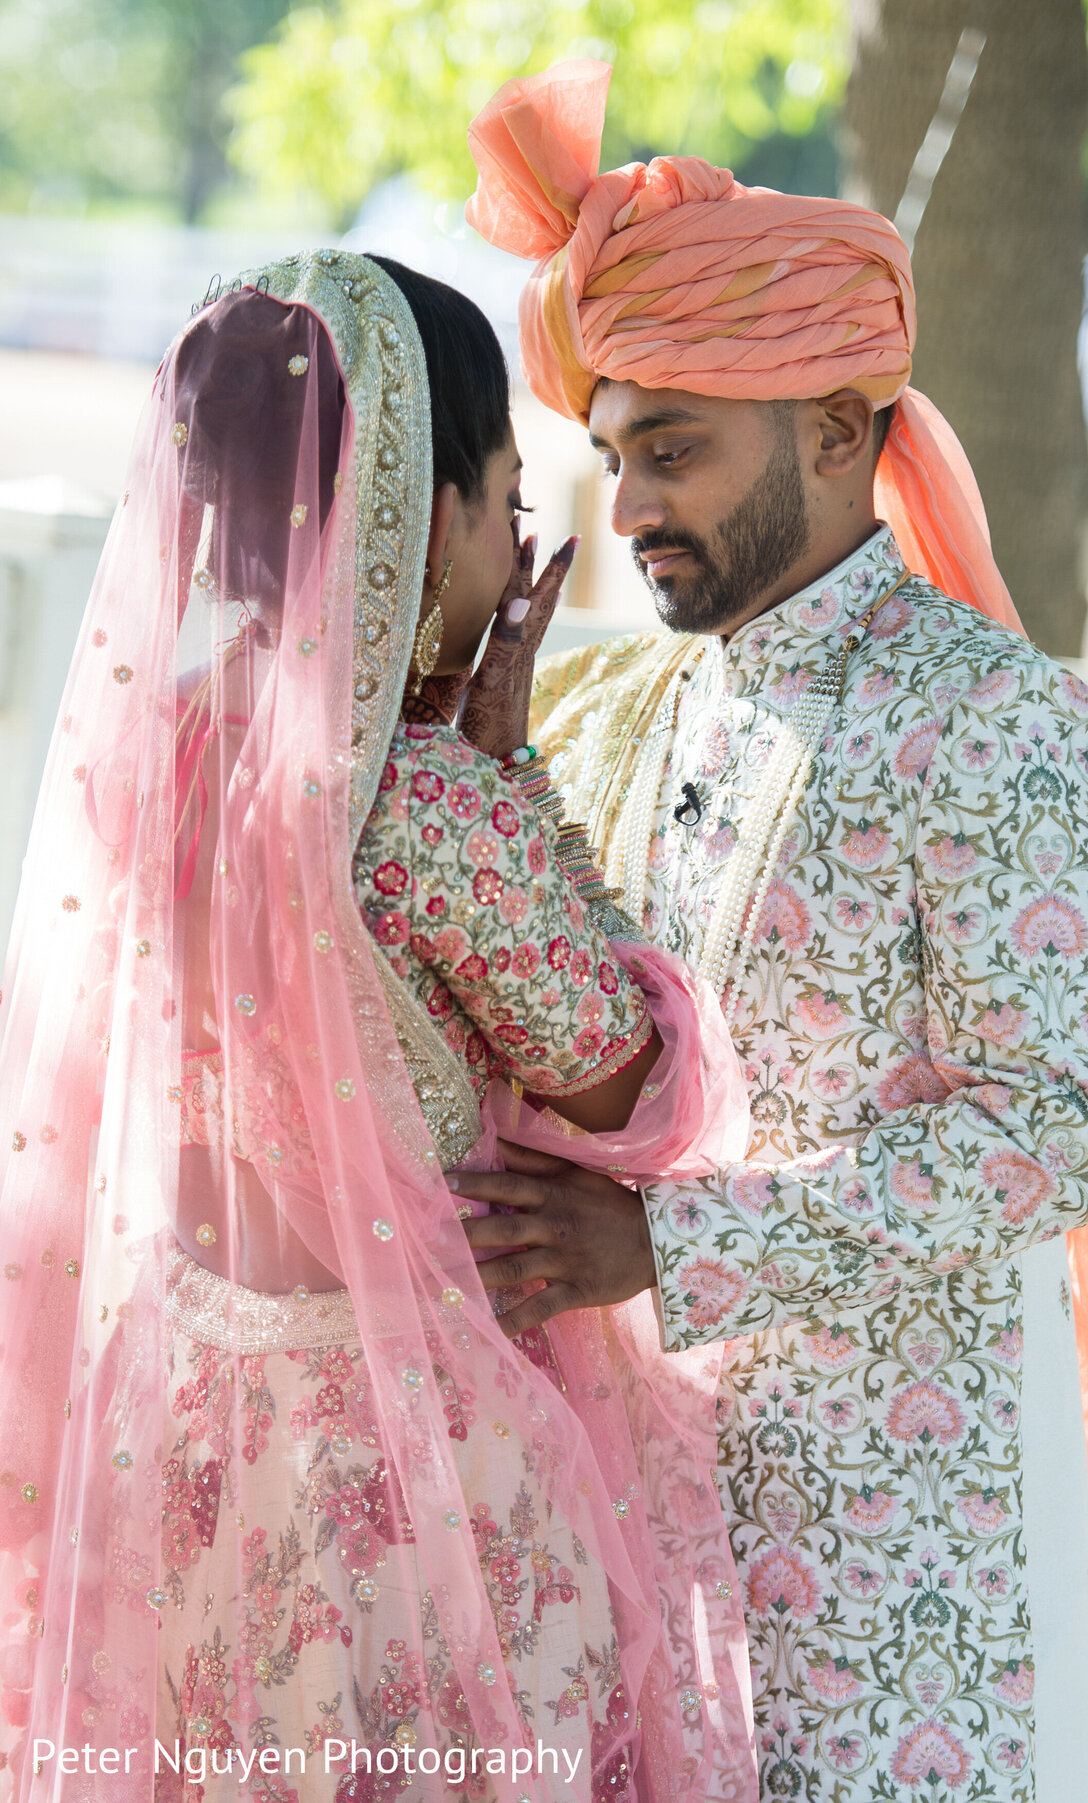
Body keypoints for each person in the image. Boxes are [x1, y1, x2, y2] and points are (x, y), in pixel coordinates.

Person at [453, 59, 1088, 1803]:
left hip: (902, 1541)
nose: (628, 505)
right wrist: (488, 779)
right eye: (615, 452)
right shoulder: (636, 704)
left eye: (676, 451)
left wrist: (673, 1250)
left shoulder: (994, 720)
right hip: (651, 1496)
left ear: (844, 432)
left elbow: (1060, 1130)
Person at [0, 249, 758, 1802]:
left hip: (190, 1427)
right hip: (405, 1466)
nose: (518, 539)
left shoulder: (155, 754)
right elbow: (636, 1092)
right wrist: (516, 772)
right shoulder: (431, 812)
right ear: (421, 507)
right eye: (505, 498)